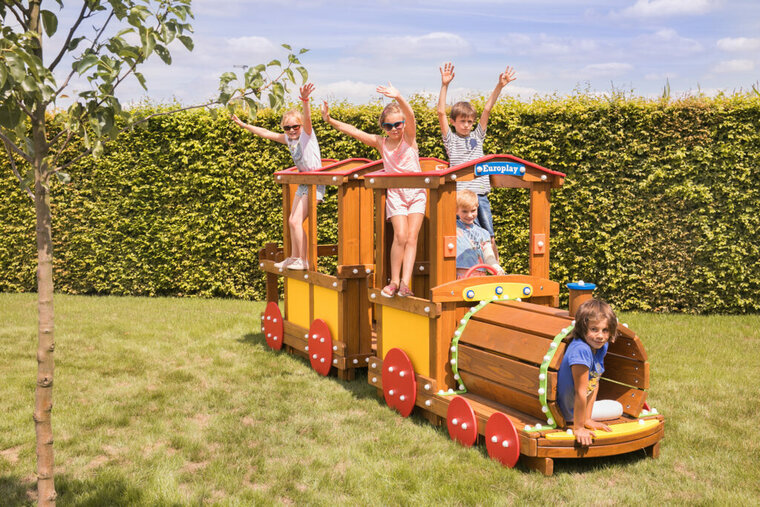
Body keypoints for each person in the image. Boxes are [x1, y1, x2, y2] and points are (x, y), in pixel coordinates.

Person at [321, 83, 425, 297]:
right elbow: (355, 131)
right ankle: (394, 281)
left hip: (416, 193)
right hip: (396, 194)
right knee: (400, 236)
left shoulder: (409, 138)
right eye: (389, 126)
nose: (394, 129)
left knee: (412, 237)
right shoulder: (381, 143)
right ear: (383, 127)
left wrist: (399, 96)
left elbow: (411, 116)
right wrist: (330, 120)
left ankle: (406, 283)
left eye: (398, 124)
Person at [231, 83, 322, 271]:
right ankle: (294, 257)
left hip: (316, 183)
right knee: (292, 221)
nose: (291, 130)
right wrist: (244, 125)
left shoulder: (306, 135)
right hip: (303, 182)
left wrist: (305, 100)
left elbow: (308, 118)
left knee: (296, 221)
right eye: (287, 127)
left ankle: (302, 259)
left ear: (301, 126)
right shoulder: (289, 139)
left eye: (295, 126)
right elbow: (266, 133)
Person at [437, 62, 516, 259]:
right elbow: (440, 113)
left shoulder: (477, 137)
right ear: (454, 122)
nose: (466, 125)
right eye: (462, 121)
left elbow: (487, 109)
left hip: (479, 196)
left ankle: (494, 268)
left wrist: (500, 86)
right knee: (458, 236)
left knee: (489, 236)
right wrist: (445, 85)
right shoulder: (451, 140)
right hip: (459, 197)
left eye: (469, 122)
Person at [557, 298, 624, 446]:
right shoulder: (581, 350)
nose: (600, 335)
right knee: (618, 408)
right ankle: (580, 420)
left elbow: (594, 382)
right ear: (582, 328)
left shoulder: (601, 347)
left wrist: (587, 419)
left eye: (605, 330)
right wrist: (579, 427)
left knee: (615, 407)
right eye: (594, 329)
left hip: (575, 410)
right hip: (568, 412)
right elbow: (581, 391)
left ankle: (584, 417)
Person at [456, 190, 504, 279]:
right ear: (456, 210)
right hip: (459, 275)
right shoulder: (453, 228)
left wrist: (496, 267)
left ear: (477, 207)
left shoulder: (483, 233)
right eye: (464, 211)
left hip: (479, 276)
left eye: (473, 210)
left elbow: (488, 254)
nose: (470, 215)